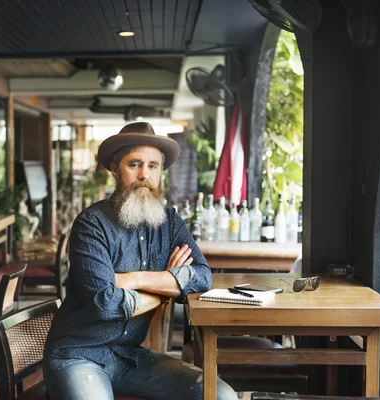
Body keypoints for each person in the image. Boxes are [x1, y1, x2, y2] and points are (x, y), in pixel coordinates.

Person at [43, 122, 238, 400]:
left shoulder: (169, 222)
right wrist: (166, 290)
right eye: (134, 164)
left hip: (130, 357)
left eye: (153, 166)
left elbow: (203, 277)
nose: (144, 174)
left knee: (221, 396)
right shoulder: (91, 224)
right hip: (78, 355)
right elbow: (105, 304)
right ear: (114, 170)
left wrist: (136, 279)